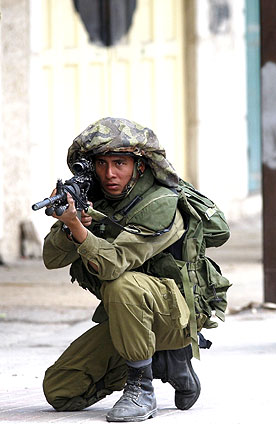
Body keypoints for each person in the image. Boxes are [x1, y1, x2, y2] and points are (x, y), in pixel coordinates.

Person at [41, 117, 206, 422]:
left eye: (119, 163)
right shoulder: (93, 197)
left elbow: (112, 265)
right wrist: (69, 227)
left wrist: (78, 228)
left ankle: (141, 386)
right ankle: (162, 363)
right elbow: (51, 259)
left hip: (174, 316)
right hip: (129, 319)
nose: (109, 174)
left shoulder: (161, 203)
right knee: (61, 391)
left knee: (122, 284)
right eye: (101, 164)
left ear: (140, 166)